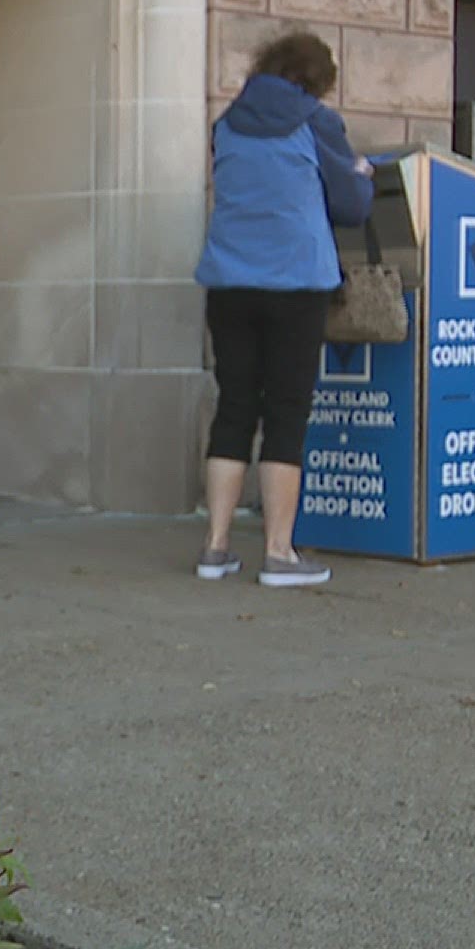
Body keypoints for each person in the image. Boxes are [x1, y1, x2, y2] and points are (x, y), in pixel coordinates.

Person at [194, 32, 375, 587]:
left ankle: (216, 549)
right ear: (313, 79)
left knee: (235, 407)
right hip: (296, 284)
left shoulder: (225, 125)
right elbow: (350, 204)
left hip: (228, 283)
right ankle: (279, 554)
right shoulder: (316, 122)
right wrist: (361, 174)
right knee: (287, 411)